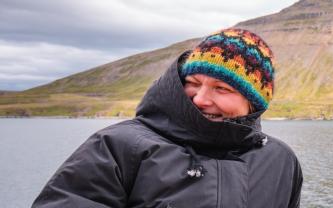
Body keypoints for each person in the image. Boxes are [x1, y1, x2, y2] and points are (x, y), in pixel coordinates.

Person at [33, 28, 302, 207]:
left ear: (253, 102)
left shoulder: (281, 161)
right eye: (194, 82)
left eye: (222, 88)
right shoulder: (118, 146)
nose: (199, 99)